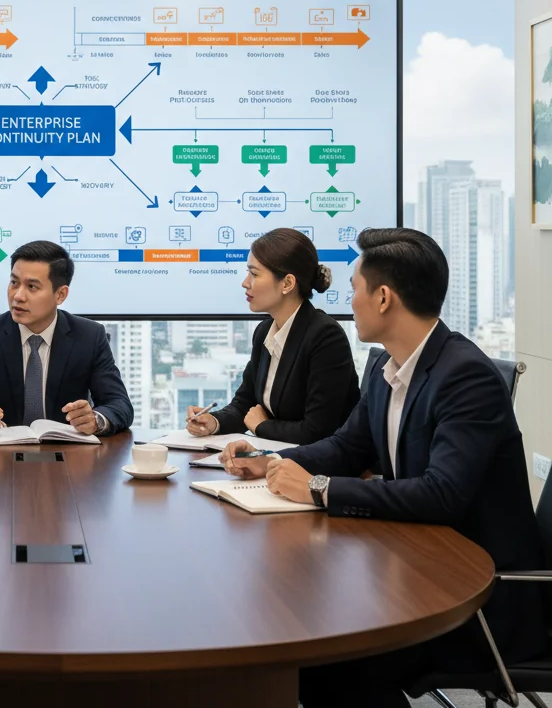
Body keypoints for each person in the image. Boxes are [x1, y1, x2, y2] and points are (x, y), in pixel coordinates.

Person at [220, 228, 545, 707]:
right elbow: (347, 447)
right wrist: (270, 460)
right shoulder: (384, 367)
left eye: (355, 288)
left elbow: (441, 494)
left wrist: (318, 489)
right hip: (414, 565)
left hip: (477, 599)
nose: (348, 300)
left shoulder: (464, 376)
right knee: (302, 631)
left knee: (323, 658)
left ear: (385, 297)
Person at [0, 240, 133, 435]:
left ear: (60, 295)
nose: (18, 296)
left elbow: (119, 404)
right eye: (14, 282)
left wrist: (95, 420)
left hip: (69, 457)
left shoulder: (89, 336)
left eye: (32, 287)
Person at [184, 228, 359, 445]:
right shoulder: (264, 331)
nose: (245, 282)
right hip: (278, 458)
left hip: (318, 470)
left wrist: (262, 426)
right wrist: (214, 422)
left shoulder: (325, 337)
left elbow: (317, 431)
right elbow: (245, 405)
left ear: (287, 283)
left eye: (254, 274)